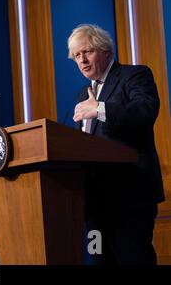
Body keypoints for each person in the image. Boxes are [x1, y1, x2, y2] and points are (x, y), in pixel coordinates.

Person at [70, 24, 164, 264]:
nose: (82, 60)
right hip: (94, 200)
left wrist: (99, 109)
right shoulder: (83, 94)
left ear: (105, 51)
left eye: (86, 52)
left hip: (129, 196)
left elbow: (145, 111)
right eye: (77, 56)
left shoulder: (134, 75)